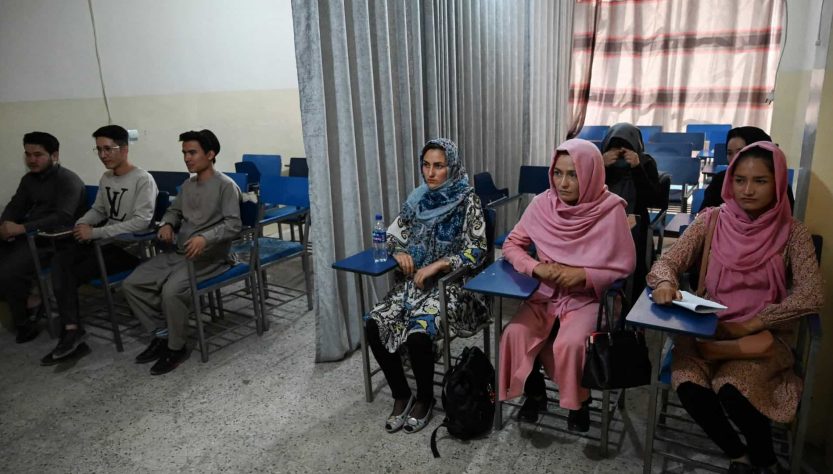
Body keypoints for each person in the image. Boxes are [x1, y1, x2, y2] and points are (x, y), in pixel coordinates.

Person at [648, 142, 823, 473]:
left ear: (778, 183)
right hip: (706, 330)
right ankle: (737, 453)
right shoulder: (711, 220)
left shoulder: (792, 234)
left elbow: (811, 294)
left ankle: (766, 459)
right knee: (687, 384)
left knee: (732, 390)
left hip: (759, 337)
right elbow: (668, 261)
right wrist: (666, 283)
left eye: (760, 181)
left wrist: (754, 322)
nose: (747, 190)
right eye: (740, 179)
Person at [499, 139, 636, 431]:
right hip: (545, 296)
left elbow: (624, 267)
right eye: (557, 173)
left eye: (572, 174)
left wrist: (584, 275)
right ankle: (535, 395)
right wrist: (535, 267)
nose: (562, 183)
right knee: (513, 333)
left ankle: (579, 403)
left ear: (591, 174)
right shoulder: (542, 204)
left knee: (571, 342)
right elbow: (512, 245)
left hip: (588, 299)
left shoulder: (610, 211)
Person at [365, 138, 489, 434]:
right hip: (413, 286)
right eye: (426, 165)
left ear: (452, 167)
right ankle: (401, 394)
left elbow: (478, 248)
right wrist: (398, 252)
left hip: (452, 287)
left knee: (420, 332)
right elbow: (393, 235)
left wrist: (440, 264)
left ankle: (424, 399)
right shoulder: (418, 198)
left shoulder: (467, 199)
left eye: (439, 166)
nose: (430, 173)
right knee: (374, 324)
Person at [121, 130, 241, 375]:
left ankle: (176, 347)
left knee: (171, 291)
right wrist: (166, 223)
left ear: (210, 154)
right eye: (185, 153)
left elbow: (233, 224)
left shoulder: (226, 186)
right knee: (132, 283)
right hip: (179, 253)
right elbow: (174, 212)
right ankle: (162, 334)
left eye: (192, 152)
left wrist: (204, 238)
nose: (187, 158)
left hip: (210, 256)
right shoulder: (188, 185)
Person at [41, 125, 158, 364]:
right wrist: (82, 224)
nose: (103, 155)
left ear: (124, 149)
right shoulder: (106, 178)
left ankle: (72, 331)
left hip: (126, 248)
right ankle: (72, 329)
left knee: (69, 271)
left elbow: (141, 222)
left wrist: (95, 232)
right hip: (105, 243)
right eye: (99, 149)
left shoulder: (142, 179)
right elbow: (99, 209)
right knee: (60, 258)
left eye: (108, 149)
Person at [0, 132, 86, 343]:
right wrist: (5, 225)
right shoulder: (29, 180)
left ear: (54, 155)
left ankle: (24, 322)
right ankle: (31, 300)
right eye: (28, 154)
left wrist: (21, 228)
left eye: (38, 155)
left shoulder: (68, 180)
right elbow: (15, 206)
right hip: (30, 235)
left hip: (56, 240)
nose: (32, 160)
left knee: (8, 272)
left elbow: (63, 217)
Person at [600, 123, 662, 298]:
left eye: (626, 147)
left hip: (636, 224)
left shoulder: (646, 163)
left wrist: (637, 168)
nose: (620, 152)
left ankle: (631, 306)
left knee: (636, 266)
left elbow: (653, 199)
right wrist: (601, 165)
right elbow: (587, 194)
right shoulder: (598, 162)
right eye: (615, 146)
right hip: (602, 223)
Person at [699, 126, 794, 212]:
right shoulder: (720, 181)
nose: (734, 158)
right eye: (729, 153)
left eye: (741, 152)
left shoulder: (780, 186)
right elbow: (703, 217)